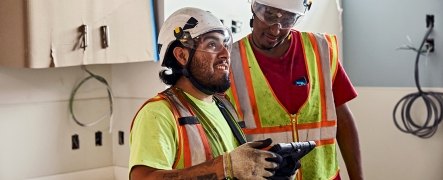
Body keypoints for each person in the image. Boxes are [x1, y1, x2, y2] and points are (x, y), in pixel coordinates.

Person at [129, 7, 294, 180]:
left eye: (225, 44)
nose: (225, 54)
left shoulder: (225, 107)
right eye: (212, 45)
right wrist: (223, 167)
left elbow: (233, 173)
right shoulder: (158, 113)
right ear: (181, 55)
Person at [226, 0, 364, 179]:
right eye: (269, 16)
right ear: (254, 8)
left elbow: (343, 120)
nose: (276, 30)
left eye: (288, 20)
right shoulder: (229, 62)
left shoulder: (319, 49)